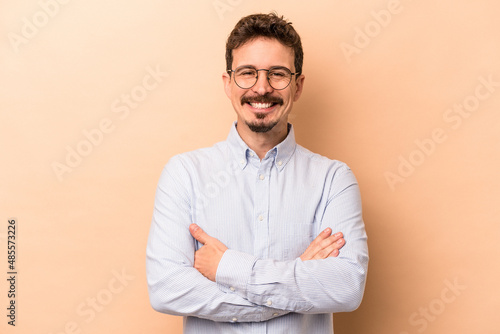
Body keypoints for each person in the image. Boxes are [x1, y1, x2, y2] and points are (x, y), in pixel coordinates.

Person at [146, 12, 369, 334]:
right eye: (247, 73)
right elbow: (168, 289)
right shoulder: (185, 174)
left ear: (298, 85)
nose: (261, 88)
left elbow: (346, 288)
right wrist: (294, 281)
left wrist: (227, 268)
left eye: (277, 74)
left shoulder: (334, 179)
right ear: (228, 83)